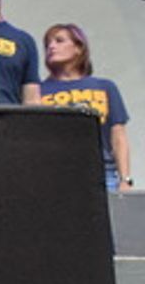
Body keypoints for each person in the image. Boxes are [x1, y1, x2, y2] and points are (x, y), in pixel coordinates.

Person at [39, 23, 133, 192]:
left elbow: (118, 135)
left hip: (103, 174)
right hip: (55, 176)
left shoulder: (104, 87)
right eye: (48, 44)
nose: (51, 47)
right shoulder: (39, 91)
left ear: (78, 48)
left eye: (59, 41)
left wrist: (125, 179)